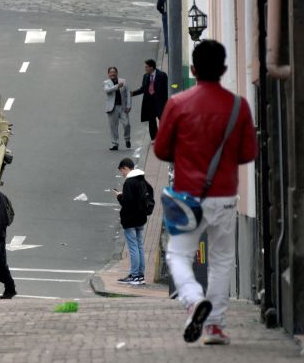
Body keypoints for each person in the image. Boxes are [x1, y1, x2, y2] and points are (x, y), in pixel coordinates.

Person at [154, 40, 257, 345]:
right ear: (224, 69)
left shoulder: (178, 104)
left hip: (188, 197)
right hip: (224, 196)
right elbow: (248, 153)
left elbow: (160, 150)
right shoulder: (238, 106)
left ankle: (193, 298)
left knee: (178, 254)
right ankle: (214, 325)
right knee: (222, 259)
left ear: (194, 69)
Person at [113, 158, 153, 286]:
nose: (122, 174)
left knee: (133, 247)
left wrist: (119, 196)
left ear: (125, 168)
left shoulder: (129, 182)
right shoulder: (142, 179)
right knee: (140, 246)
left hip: (130, 219)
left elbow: (127, 202)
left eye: (122, 171)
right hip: (141, 218)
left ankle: (135, 275)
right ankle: (140, 275)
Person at [130, 59, 170, 140]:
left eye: (146, 67)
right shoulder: (146, 76)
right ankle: (154, 138)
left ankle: (165, 138)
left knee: (162, 120)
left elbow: (167, 88)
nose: (145, 69)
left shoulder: (162, 75)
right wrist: (133, 93)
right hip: (149, 102)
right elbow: (143, 89)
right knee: (151, 121)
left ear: (151, 67)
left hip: (160, 102)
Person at [104, 66, 132, 150]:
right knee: (113, 127)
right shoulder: (106, 82)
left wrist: (129, 105)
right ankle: (115, 144)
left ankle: (127, 139)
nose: (112, 73)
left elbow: (128, 93)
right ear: (108, 74)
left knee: (126, 124)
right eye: (111, 72)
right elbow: (107, 90)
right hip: (112, 108)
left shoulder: (123, 81)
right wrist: (117, 86)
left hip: (122, 107)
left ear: (117, 73)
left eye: (114, 72)